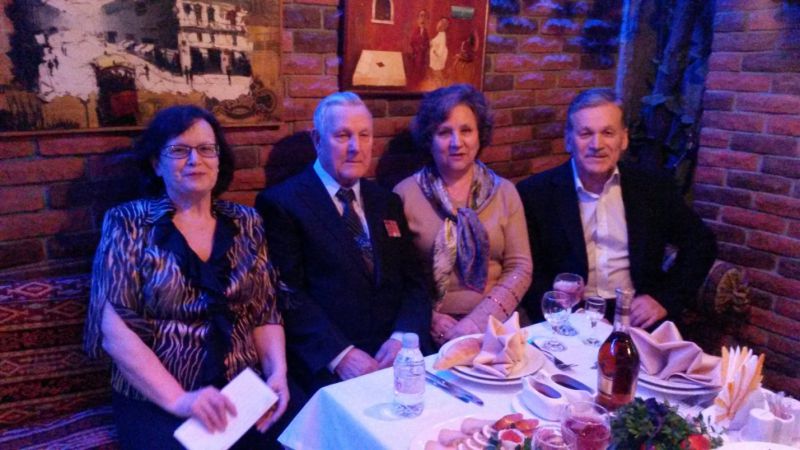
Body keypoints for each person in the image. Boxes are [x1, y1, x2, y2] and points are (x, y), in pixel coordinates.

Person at [84, 105, 289, 449]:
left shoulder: (246, 222)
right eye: (179, 150)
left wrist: (277, 373)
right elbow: (114, 333)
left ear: (219, 160)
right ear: (156, 163)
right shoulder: (127, 223)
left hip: (240, 392)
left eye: (206, 149)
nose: (195, 160)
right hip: (158, 399)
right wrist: (181, 400)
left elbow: (265, 310)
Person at [255, 92, 431, 394]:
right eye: (342, 135)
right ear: (317, 140)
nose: (355, 147)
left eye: (364, 135)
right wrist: (341, 356)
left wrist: (402, 338)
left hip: (396, 359)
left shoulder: (386, 201)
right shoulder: (282, 203)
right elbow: (287, 294)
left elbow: (415, 282)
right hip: (328, 368)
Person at [516, 88, 717, 329]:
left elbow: (701, 244)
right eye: (585, 133)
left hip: (638, 316)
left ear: (624, 139)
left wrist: (664, 299)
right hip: (569, 317)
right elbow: (526, 270)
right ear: (569, 140)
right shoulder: (535, 193)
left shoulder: (653, 187)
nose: (597, 144)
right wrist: (564, 314)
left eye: (608, 133)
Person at [394, 84, 532, 347]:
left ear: (480, 135)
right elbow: (397, 276)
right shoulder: (404, 195)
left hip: (497, 322)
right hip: (429, 328)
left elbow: (520, 268)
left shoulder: (505, 192)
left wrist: (477, 322)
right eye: (444, 132)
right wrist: (431, 318)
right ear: (429, 139)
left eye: (466, 130)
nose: (457, 142)